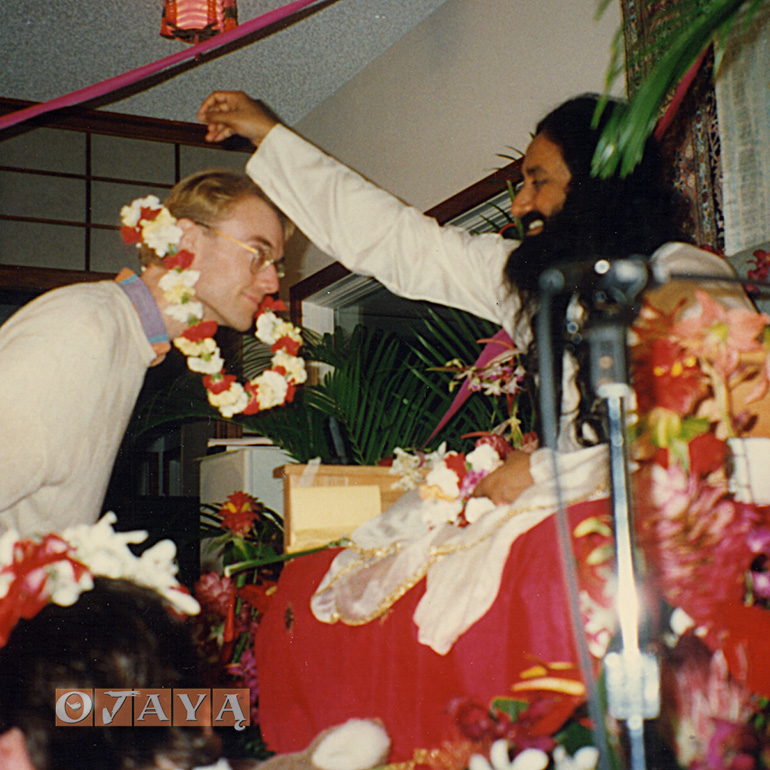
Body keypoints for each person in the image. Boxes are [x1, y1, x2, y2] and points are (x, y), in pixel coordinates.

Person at [194, 90, 763, 760]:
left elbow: (705, 431)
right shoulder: (534, 280)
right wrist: (270, 134)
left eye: (538, 182)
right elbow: (403, 242)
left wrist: (543, 467)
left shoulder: (684, 278)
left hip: (637, 512)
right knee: (327, 575)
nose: (521, 205)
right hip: (534, 495)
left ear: (597, 187)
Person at [0, 169, 294, 537]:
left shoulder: (130, 338)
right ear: (188, 239)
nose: (272, 282)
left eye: (275, 264)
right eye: (258, 254)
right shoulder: (84, 328)